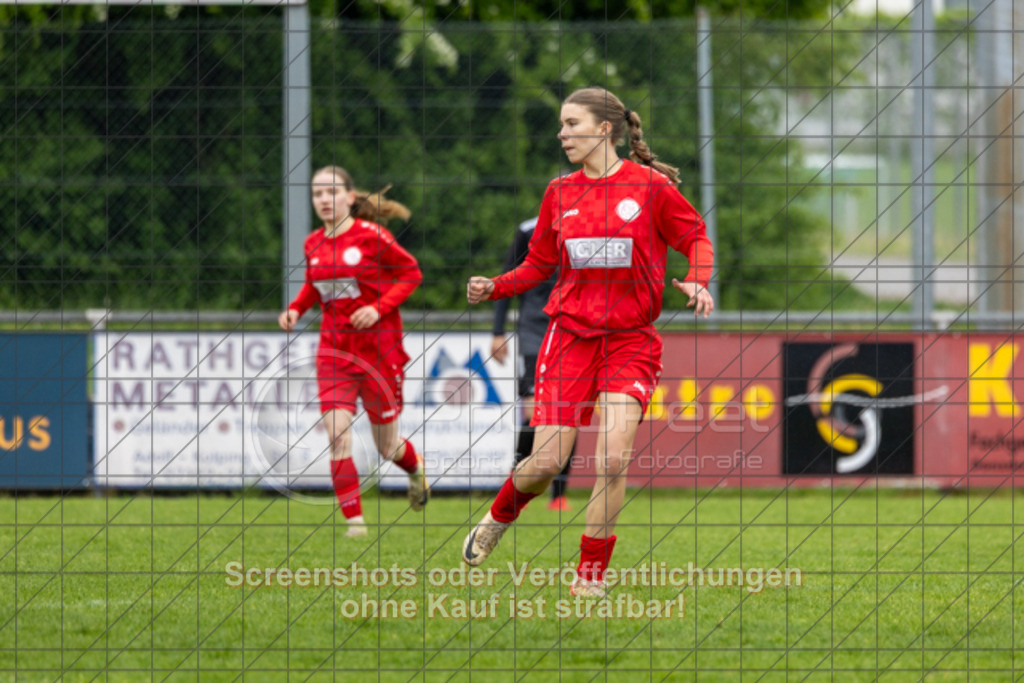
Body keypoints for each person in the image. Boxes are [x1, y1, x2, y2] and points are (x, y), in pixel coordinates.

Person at [463, 87, 715, 597]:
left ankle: (589, 578)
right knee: (547, 461)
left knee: (613, 459)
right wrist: (496, 285)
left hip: (630, 342)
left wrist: (699, 277)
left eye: (571, 124)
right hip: (569, 337)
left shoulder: (649, 187)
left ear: (604, 130)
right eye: (560, 125)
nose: (562, 134)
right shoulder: (559, 191)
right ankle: (498, 517)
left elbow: (696, 237)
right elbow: (538, 264)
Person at [279, 166, 428, 538]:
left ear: (349, 196)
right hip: (334, 352)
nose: (324, 200)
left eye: (331, 192)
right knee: (337, 435)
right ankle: (355, 524)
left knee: (388, 446)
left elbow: (411, 274)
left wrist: (378, 308)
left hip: (379, 353)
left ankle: (415, 471)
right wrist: (297, 307)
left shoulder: (373, 236)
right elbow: (316, 286)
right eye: (317, 194)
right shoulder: (312, 242)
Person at [491, 216, 576, 512]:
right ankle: (517, 479)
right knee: (531, 410)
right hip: (533, 329)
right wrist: (497, 331)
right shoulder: (527, 230)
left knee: (568, 411)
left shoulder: (589, 223)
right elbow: (509, 275)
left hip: (571, 326)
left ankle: (559, 494)